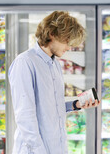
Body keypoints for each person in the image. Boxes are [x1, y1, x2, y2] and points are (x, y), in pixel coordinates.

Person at [9, 11, 100, 154]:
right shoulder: (25, 62)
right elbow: (25, 117)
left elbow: (49, 108)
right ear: (52, 33)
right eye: (67, 41)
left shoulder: (55, 65)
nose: (69, 47)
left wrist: (75, 104)